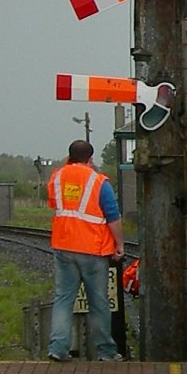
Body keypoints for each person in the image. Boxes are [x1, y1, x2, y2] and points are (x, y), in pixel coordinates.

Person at [47, 139, 125, 361]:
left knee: (63, 299)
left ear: (69, 156)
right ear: (90, 158)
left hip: (63, 247)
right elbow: (112, 216)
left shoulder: (57, 178)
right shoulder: (98, 181)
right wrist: (119, 244)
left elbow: (57, 206)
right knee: (98, 302)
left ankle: (58, 348)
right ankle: (106, 352)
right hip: (92, 250)